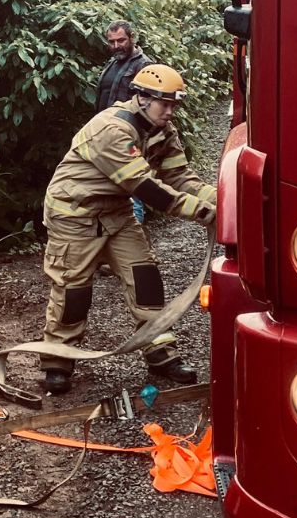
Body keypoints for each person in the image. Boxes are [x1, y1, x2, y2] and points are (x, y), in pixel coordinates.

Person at [41, 64, 217, 393]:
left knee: (145, 278)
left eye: (173, 104)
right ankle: (57, 361)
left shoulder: (162, 130)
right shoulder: (112, 129)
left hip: (116, 212)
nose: (169, 111)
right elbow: (145, 187)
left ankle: (160, 353)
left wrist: (224, 200)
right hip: (75, 215)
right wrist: (205, 213)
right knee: (73, 291)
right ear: (142, 98)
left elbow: (180, 177)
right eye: (164, 103)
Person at [96, 20, 155, 225]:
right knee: (114, 190)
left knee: (133, 187)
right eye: (111, 41)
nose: (116, 46)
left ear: (132, 38)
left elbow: (150, 107)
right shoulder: (113, 63)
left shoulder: (144, 65)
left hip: (130, 137)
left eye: (121, 40)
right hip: (107, 135)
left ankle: (136, 235)